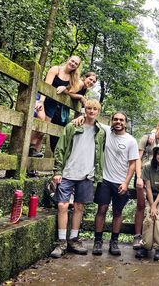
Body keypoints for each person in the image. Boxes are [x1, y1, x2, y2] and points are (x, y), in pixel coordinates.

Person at [49, 99, 105, 258]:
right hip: (68, 172)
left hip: (87, 174)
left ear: (98, 112)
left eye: (95, 109)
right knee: (62, 205)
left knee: (79, 207)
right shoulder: (72, 126)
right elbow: (60, 148)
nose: (92, 111)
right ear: (84, 109)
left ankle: (73, 239)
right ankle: (61, 242)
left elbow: (115, 131)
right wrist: (57, 170)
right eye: (89, 108)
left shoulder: (100, 131)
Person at [92, 112, 139, 256]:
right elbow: (91, 118)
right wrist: (81, 116)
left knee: (118, 212)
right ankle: (98, 241)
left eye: (122, 120)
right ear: (112, 121)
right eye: (116, 119)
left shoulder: (131, 141)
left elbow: (132, 164)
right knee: (102, 209)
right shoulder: (106, 131)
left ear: (126, 123)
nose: (118, 122)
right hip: (105, 179)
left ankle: (114, 242)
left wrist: (126, 183)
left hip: (121, 182)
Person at [133, 118, 159, 250]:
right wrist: (139, 177)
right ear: (158, 125)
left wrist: (156, 132)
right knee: (142, 206)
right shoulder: (146, 138)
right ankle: (138, 237)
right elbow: (138, 158)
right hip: (145, 175)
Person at [30, 56, 83, 156]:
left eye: (76, 63)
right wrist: (41, 102)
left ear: (77, 67)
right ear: (68, 59)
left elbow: (75, 89)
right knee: (40, 118)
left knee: (43, 131)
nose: (73, 64)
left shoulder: (73, 78)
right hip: (42, 97)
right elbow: (47, 86)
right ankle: (31, 147)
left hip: (52, 103)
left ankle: (33, 158)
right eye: (72, 61)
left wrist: (65, 88)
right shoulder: (56, 69)